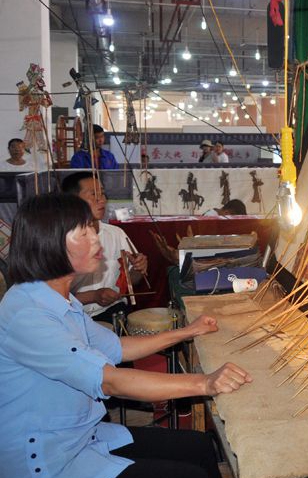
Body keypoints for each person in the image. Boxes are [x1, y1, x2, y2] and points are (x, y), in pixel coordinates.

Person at [0, 192, 251, 478]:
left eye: (93, 229)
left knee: (199, 447)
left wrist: (188, 331)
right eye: (84, 232)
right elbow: (109, 381)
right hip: (49, 458)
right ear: (49, 243)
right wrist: (205, 383)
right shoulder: (28, 313)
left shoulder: (60, 299)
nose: (96, 239)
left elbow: (117, 347)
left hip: (82, 436)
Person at [62, 171, 148, 323]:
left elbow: (131, 281)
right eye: (93, 194)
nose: (102, 199)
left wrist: (138, 269)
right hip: (72, 314)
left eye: (102, 193)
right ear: (72, 200)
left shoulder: (115, 233)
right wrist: (92, 296)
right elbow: (49, 296)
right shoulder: (60, 239)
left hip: (112, 310)